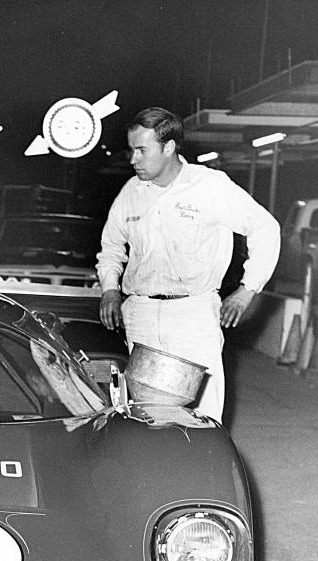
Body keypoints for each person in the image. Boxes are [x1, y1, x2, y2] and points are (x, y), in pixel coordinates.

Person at [95, 107, 280, 423]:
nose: (132, 159)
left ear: (168, 147)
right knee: (143, 411)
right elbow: (112, 247)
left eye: (142, 150)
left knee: (203, 413)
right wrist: (110, 289)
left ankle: (206, 469)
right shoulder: (131, 192)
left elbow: (265, 227)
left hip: (191, 314)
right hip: (140, 314)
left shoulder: (210, 186)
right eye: (131, 149)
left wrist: (247, 290)